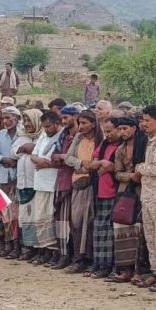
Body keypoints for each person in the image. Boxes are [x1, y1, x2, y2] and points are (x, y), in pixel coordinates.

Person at [63, 110, 103, 273]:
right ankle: (78, 258)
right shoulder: (78, 138)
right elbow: (68, 158)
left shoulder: (101, 139)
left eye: (85, 123)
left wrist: (90, 166)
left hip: (93, 183)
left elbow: (98, 162)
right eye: (80, 123)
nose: (81, 126)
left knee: (90, 221)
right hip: (78, 182)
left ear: (93, 124)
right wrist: (82, 164)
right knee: (77, 221)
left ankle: (89, 259)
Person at [133, 105, 156, 289]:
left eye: (147, 120)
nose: (144, 124)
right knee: (149, 234)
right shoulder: (150, 140)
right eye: (143, 120)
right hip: (147, 194)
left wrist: (140, 168)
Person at [109, 116, 146, 283]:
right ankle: (125, 270)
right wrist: (131, 176)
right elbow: (117, 173)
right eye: (120, 129)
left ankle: (140, 271)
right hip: (125, 193)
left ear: (134, 128)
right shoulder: (120, 149)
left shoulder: (144, 145)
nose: (122, 132)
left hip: (142, 192)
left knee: (141, 232)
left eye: (125, 129)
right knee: (122, 230)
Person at [45, 105, 79, 270]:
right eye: (62, 118)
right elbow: (53, 155)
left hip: (76, 182)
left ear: (75, 117)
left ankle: (72, 256)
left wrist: (64, 158)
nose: (64, 121)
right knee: (61, 220)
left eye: (66, 118)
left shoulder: (79, 137)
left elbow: (75, 160)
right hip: (62, 180)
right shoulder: (63, 136)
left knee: (73, 222)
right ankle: (63, 254)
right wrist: (62, 157)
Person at [87, 117, 121, 278]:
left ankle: (109, 266)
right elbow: (92, 164)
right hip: (100, 191)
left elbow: (118, 167)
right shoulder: (105, 144)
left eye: (110, 131)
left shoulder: (122, 146)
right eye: (105, 131)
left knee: (111, 232)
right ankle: (99, 263)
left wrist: (108, 166)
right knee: (99, 230)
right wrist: (102, 163)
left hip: (114, 192)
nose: (107, 134)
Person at [28, 111, 63, 265]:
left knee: (50, 218)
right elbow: (33, 155)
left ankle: (53, 252)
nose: (46, 129)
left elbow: (60, 160)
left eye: (49, 126)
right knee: (40, 218)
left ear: (57, 124)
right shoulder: (43, 135)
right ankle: (43, 251)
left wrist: (45, 164)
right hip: (40, 183)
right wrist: (39, 161)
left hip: (52, 183)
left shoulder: (62, 136)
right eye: (44, 126)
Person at [13, 108, 44, 261]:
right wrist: (24, 148)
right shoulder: (22, 137)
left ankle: (37, 249)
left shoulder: (43, 137)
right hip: (22, 184)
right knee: (24, 217)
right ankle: (26, 247)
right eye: (24, 121)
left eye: (29, 120)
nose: (26, 124)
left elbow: (38, 152)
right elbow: (14, 153)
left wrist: (28, 149)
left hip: (36, 184)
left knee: (36, 217)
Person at [0, 106, 21, 259]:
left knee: (16, 214)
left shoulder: (22, 134)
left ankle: (17, 245)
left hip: (17, 177)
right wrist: (3, 160)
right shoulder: (1, 134)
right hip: (4, 175)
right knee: (5, 213)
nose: (6, 121)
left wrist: (15, 161)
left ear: (17, 119)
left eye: (9, 118)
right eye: (4, 118)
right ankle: (8, 244)